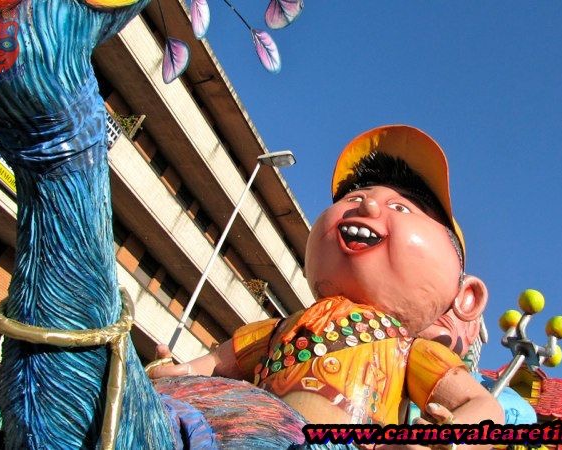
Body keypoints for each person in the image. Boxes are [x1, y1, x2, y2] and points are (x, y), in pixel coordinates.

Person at [150, 125, 504, 442]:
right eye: (354, 198)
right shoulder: (276, 331)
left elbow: (482, 405)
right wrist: (177, 373)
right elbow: (214, 362)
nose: (367, 205)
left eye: (401, 208)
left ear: (465, 296)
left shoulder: (410, 350)